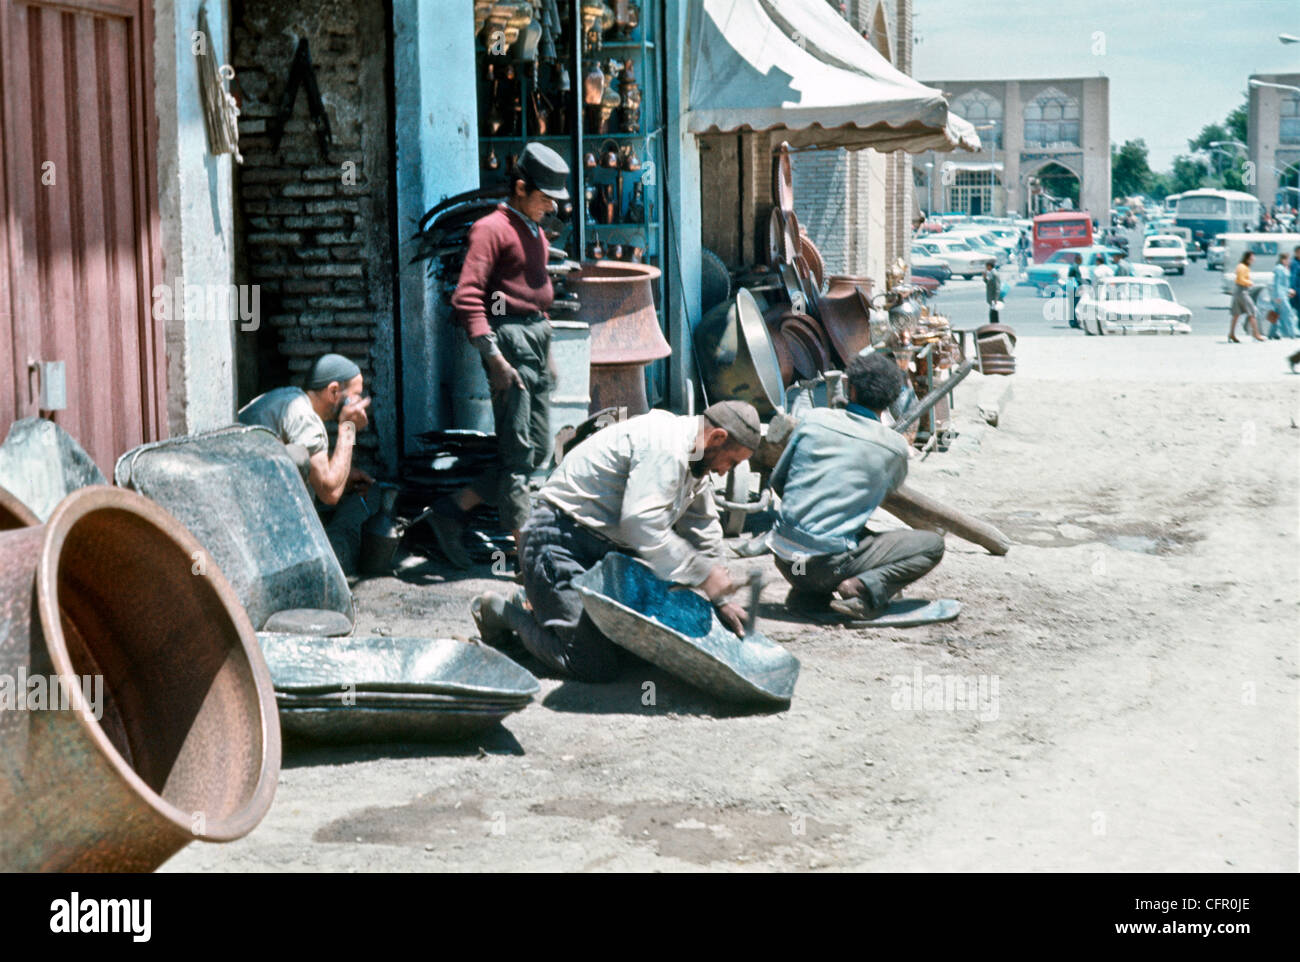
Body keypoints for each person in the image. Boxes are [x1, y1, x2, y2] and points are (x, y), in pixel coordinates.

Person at [471, 401, 761, 682]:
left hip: (601, 552)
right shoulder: (666, 446)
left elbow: (703, 527)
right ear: (717, 437)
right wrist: (703, 574)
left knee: (636, 646)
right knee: (591, 663)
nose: (726, 471)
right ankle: (503, 612)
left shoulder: (698, 456)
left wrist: (723, 598)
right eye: (731, 461)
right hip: (555, 542)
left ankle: (540, 603)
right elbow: (642, 525)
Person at [431, 142, 571, 568]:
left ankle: (449, 511)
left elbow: (536, 294)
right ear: (521, 186)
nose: (550, 207)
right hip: (508, 345)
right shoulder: (490, 229)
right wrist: (493, 356)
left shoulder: (531, 228)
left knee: (537, 451)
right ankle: (528, 562)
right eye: (544, 197)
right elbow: (468, 296)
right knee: (517, 459)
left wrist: (546, 355)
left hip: (535, 340)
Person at [768, 353, 946, 622]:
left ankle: (809, 594)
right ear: (891, 401)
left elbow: (778, 481)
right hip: (823, 567)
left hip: (786, 561)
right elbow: (882, 494)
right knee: (932, 544)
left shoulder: (814, 420)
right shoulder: (894, 447)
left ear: (850, 389)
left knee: (842, 530)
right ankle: (860, 589)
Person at [238, 353, 375, 570]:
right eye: (356, 396)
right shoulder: (305, 418)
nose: (360, 404)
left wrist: (344, 477)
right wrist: (348, 428)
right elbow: (329, 493)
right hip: (253, 524)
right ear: (333, 391)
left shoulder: (289, 398)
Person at [1228, 251, 1265, 343]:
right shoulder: (1242, 267)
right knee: (1252, 311)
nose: (1253, 260)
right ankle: (1256, 334)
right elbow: (1240, 279)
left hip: (1239, 291)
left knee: (1236, 314)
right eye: (1252, 258)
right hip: (1242, 291)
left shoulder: (1242, 266)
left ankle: (1231, 334)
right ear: (1248, 258)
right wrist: (1249, 283)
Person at [1270, 252, 1297, 339]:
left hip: (1283, 294)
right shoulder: (1279, 269)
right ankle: (1292, 333)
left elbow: (1284, 284)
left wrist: (1288, 291)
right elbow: (1278, 283)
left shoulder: (1283, 268)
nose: (1289, 261)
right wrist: (1278, 296)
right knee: (1288, 313)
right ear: (1283, 260)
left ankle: (1272, 333)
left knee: (1276, 313)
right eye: (1287, 259)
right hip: (1280, 295)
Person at [1066, 253, 1084, 329]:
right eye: (1080, 259)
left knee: (1072, 305)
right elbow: (1078, 279)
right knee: (1075, 306)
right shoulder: (1075, 267)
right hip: (1075, 289)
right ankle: (1074, 322)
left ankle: (1072, 321)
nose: (1081, 261)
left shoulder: (1073, 266)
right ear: (1078, 259)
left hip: (1071, 288)